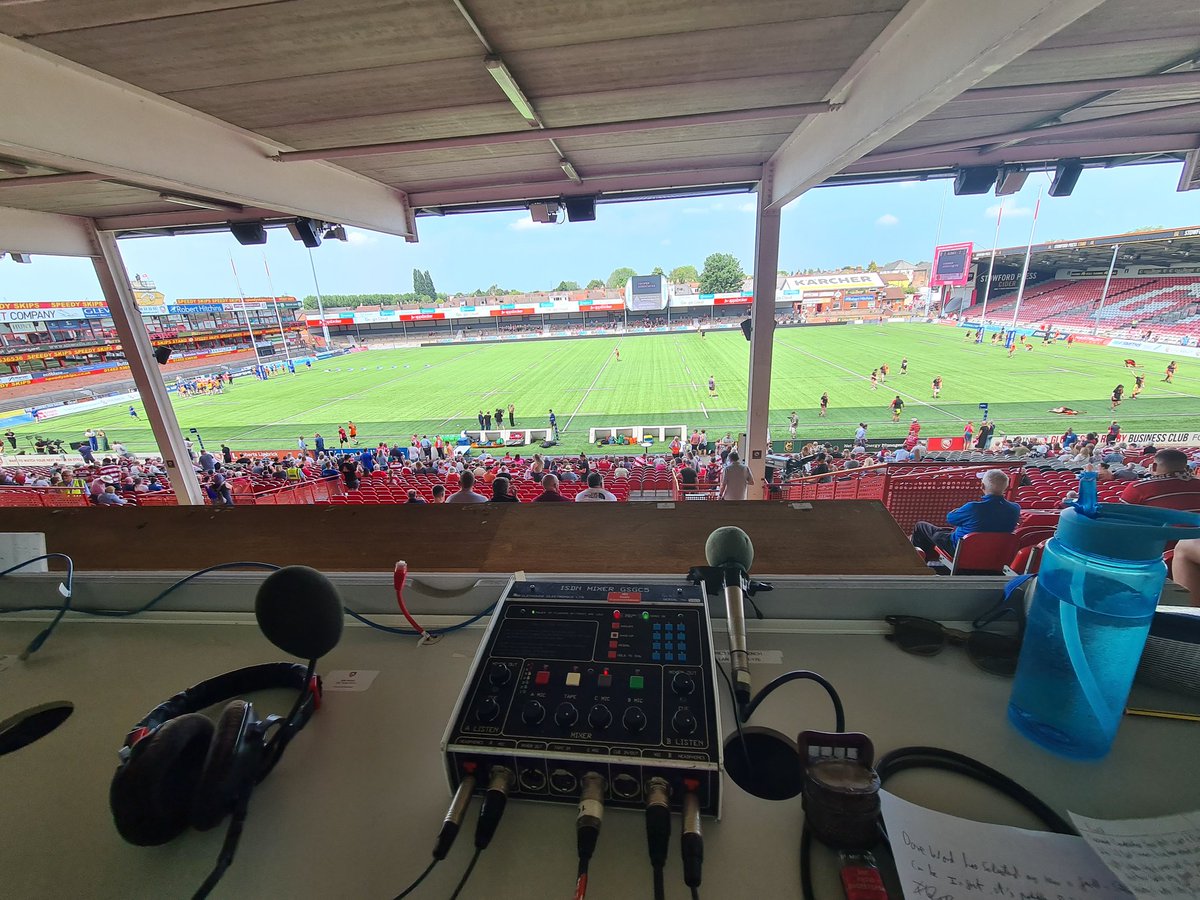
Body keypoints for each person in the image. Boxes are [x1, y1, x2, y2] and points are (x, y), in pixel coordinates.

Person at [910, 469, 1020, 560]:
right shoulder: (1015, 508)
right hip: (994, 553)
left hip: (960, 549)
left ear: (982, 486)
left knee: (921, 526)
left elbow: (951, 519)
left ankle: (917, 562)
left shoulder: (973, 507)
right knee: (942, 531)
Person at [1120, 449, 1200, 511]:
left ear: (1154, 467)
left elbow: (1122, 515)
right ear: (1186, 468)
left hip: (1160, 531)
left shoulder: (1138, 487)